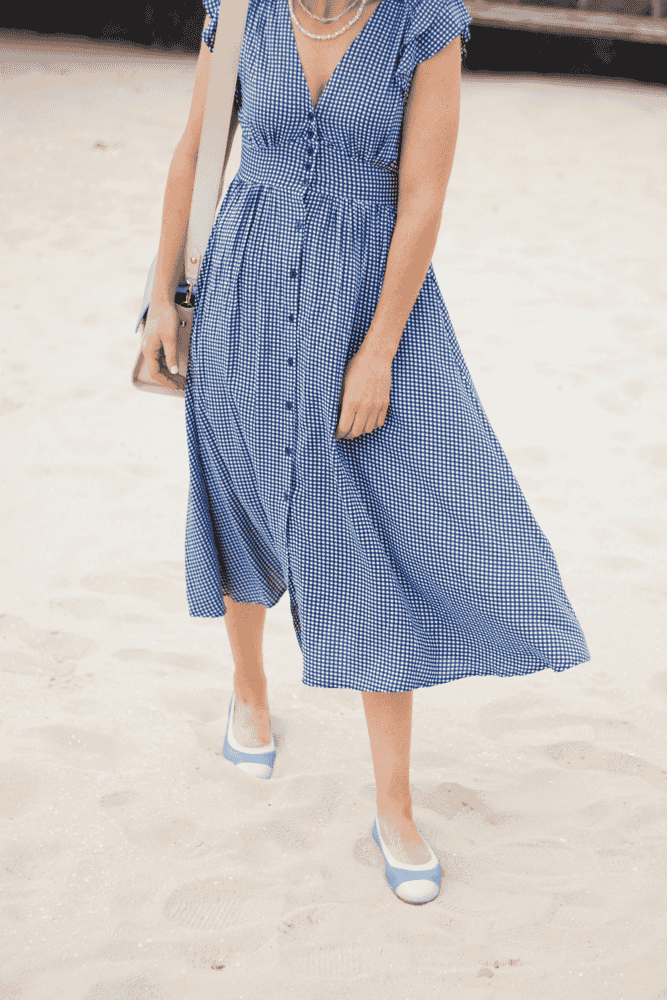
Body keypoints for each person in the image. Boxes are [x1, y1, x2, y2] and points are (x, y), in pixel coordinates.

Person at [141, 0, 590, 904]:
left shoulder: (424, 21)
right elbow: (196, 151)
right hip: (241, 290)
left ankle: (394, 803)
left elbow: (422, 195)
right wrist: (162, 296)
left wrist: (379, 348)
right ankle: (249, 691)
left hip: (363, 306)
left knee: (368, 539)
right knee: (237, 495)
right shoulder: (240, 11)